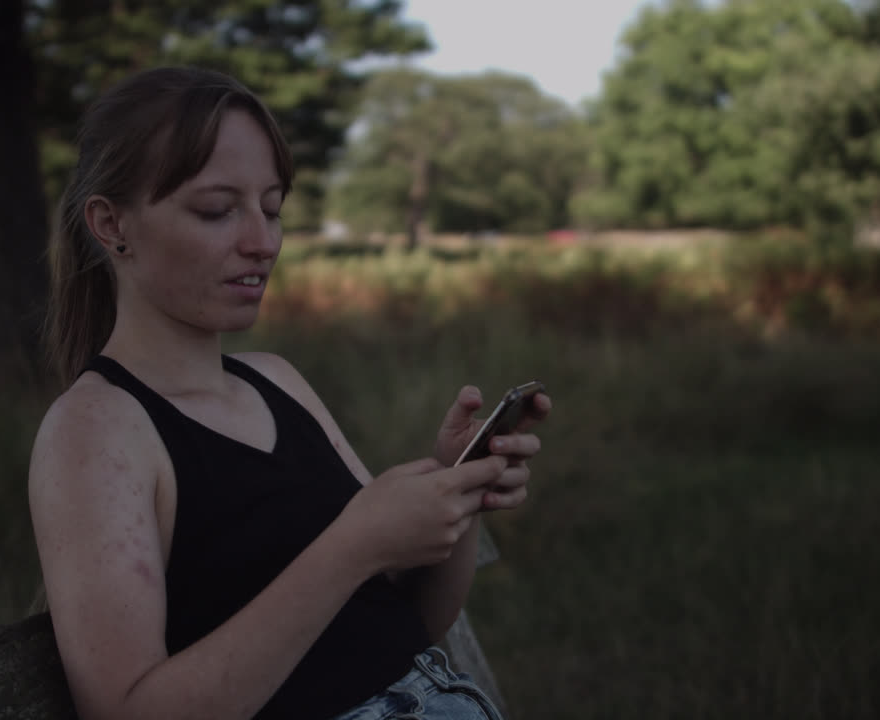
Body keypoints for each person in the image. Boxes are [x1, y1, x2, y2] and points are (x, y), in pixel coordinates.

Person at [28, 66, 551, 720]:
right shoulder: (94, 431)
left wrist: (456, 493)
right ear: (111, 225)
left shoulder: (277, 380)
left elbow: (412, 623)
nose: (263, 242)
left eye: (271, 208)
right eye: (218, 211)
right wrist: (352, 546)